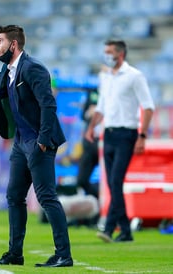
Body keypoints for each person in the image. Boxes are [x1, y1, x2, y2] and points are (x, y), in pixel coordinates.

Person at [0, 25, 73, 267]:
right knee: (15, 196)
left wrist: (43, 139)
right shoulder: (8, 70)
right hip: (20, 143)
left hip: (39, 142)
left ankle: (64, 255)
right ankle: (15, 254)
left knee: (47, 197)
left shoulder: (33, 68)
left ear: (14, 44)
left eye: (0, 41)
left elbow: (49, 105)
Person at [85, 39, 155, 243]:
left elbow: (148, 107)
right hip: (109, 134)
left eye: (110, 51)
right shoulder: (105, 77)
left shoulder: (134, 76)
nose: (106, 55)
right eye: (105, 51)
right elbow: (101, 107)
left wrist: (142, 136)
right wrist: (91, 128)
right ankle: (125, 231)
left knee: (115, 181)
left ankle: (108, 228)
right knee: (113, 183)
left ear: (120, 54)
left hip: (127, 134)